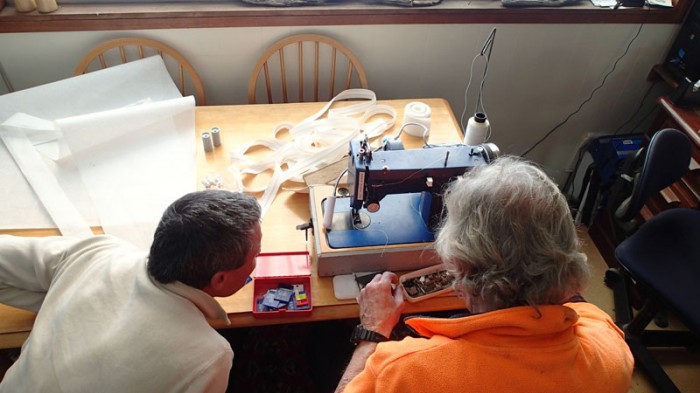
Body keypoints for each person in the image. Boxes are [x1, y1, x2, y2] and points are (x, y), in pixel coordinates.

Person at [335, 156, 634, 393]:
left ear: (460, 270)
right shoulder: (612, 351)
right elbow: (578, 305)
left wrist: (371, 331)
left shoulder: (403, 371)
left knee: (323, 348)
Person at [0, 190, 262, 393]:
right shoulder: (209, 356)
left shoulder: (98, 252)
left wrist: (64, 299)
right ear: (220, 279)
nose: (256, 261)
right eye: (256, 255)